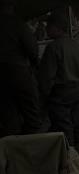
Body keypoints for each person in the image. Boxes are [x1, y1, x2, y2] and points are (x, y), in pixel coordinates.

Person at [37, 12, 79, 158]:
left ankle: (70, 162)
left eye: (49, 26)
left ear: (58, 27)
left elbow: (46, 77)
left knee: (64, 128)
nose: (47, 29)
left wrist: (44, 96)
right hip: (78, 89)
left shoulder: (53, 47)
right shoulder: (77, 46)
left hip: (60, 92)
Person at [0, 0, 42, 137]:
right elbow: (32, 51)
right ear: (12, 6)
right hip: (19, 74)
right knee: (32, 116)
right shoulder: (17, 24)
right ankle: (30, 146)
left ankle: (11, 149)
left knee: (8, 117)